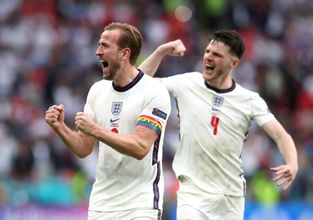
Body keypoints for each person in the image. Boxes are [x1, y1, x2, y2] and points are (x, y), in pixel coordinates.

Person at [138, 30, 298, 219]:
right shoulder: (186, 83)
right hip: (192, 193)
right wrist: (161, 51)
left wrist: (293, 164)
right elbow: (139, 84)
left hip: (230, 197)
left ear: (234, 63)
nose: (208, 57)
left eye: (217, 55)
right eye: (207, 51)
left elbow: (281, 135)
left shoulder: (249, 100)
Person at [45, 22, 171, 220]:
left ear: (124, 53)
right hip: (101, 205)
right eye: (98, 45)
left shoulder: (153, 91)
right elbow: (84, 148)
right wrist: (60, 128)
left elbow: (140, 147)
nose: (97, 52)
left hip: (140, 205)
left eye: (105, 46)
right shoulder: (98, 90)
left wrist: (96, 130)